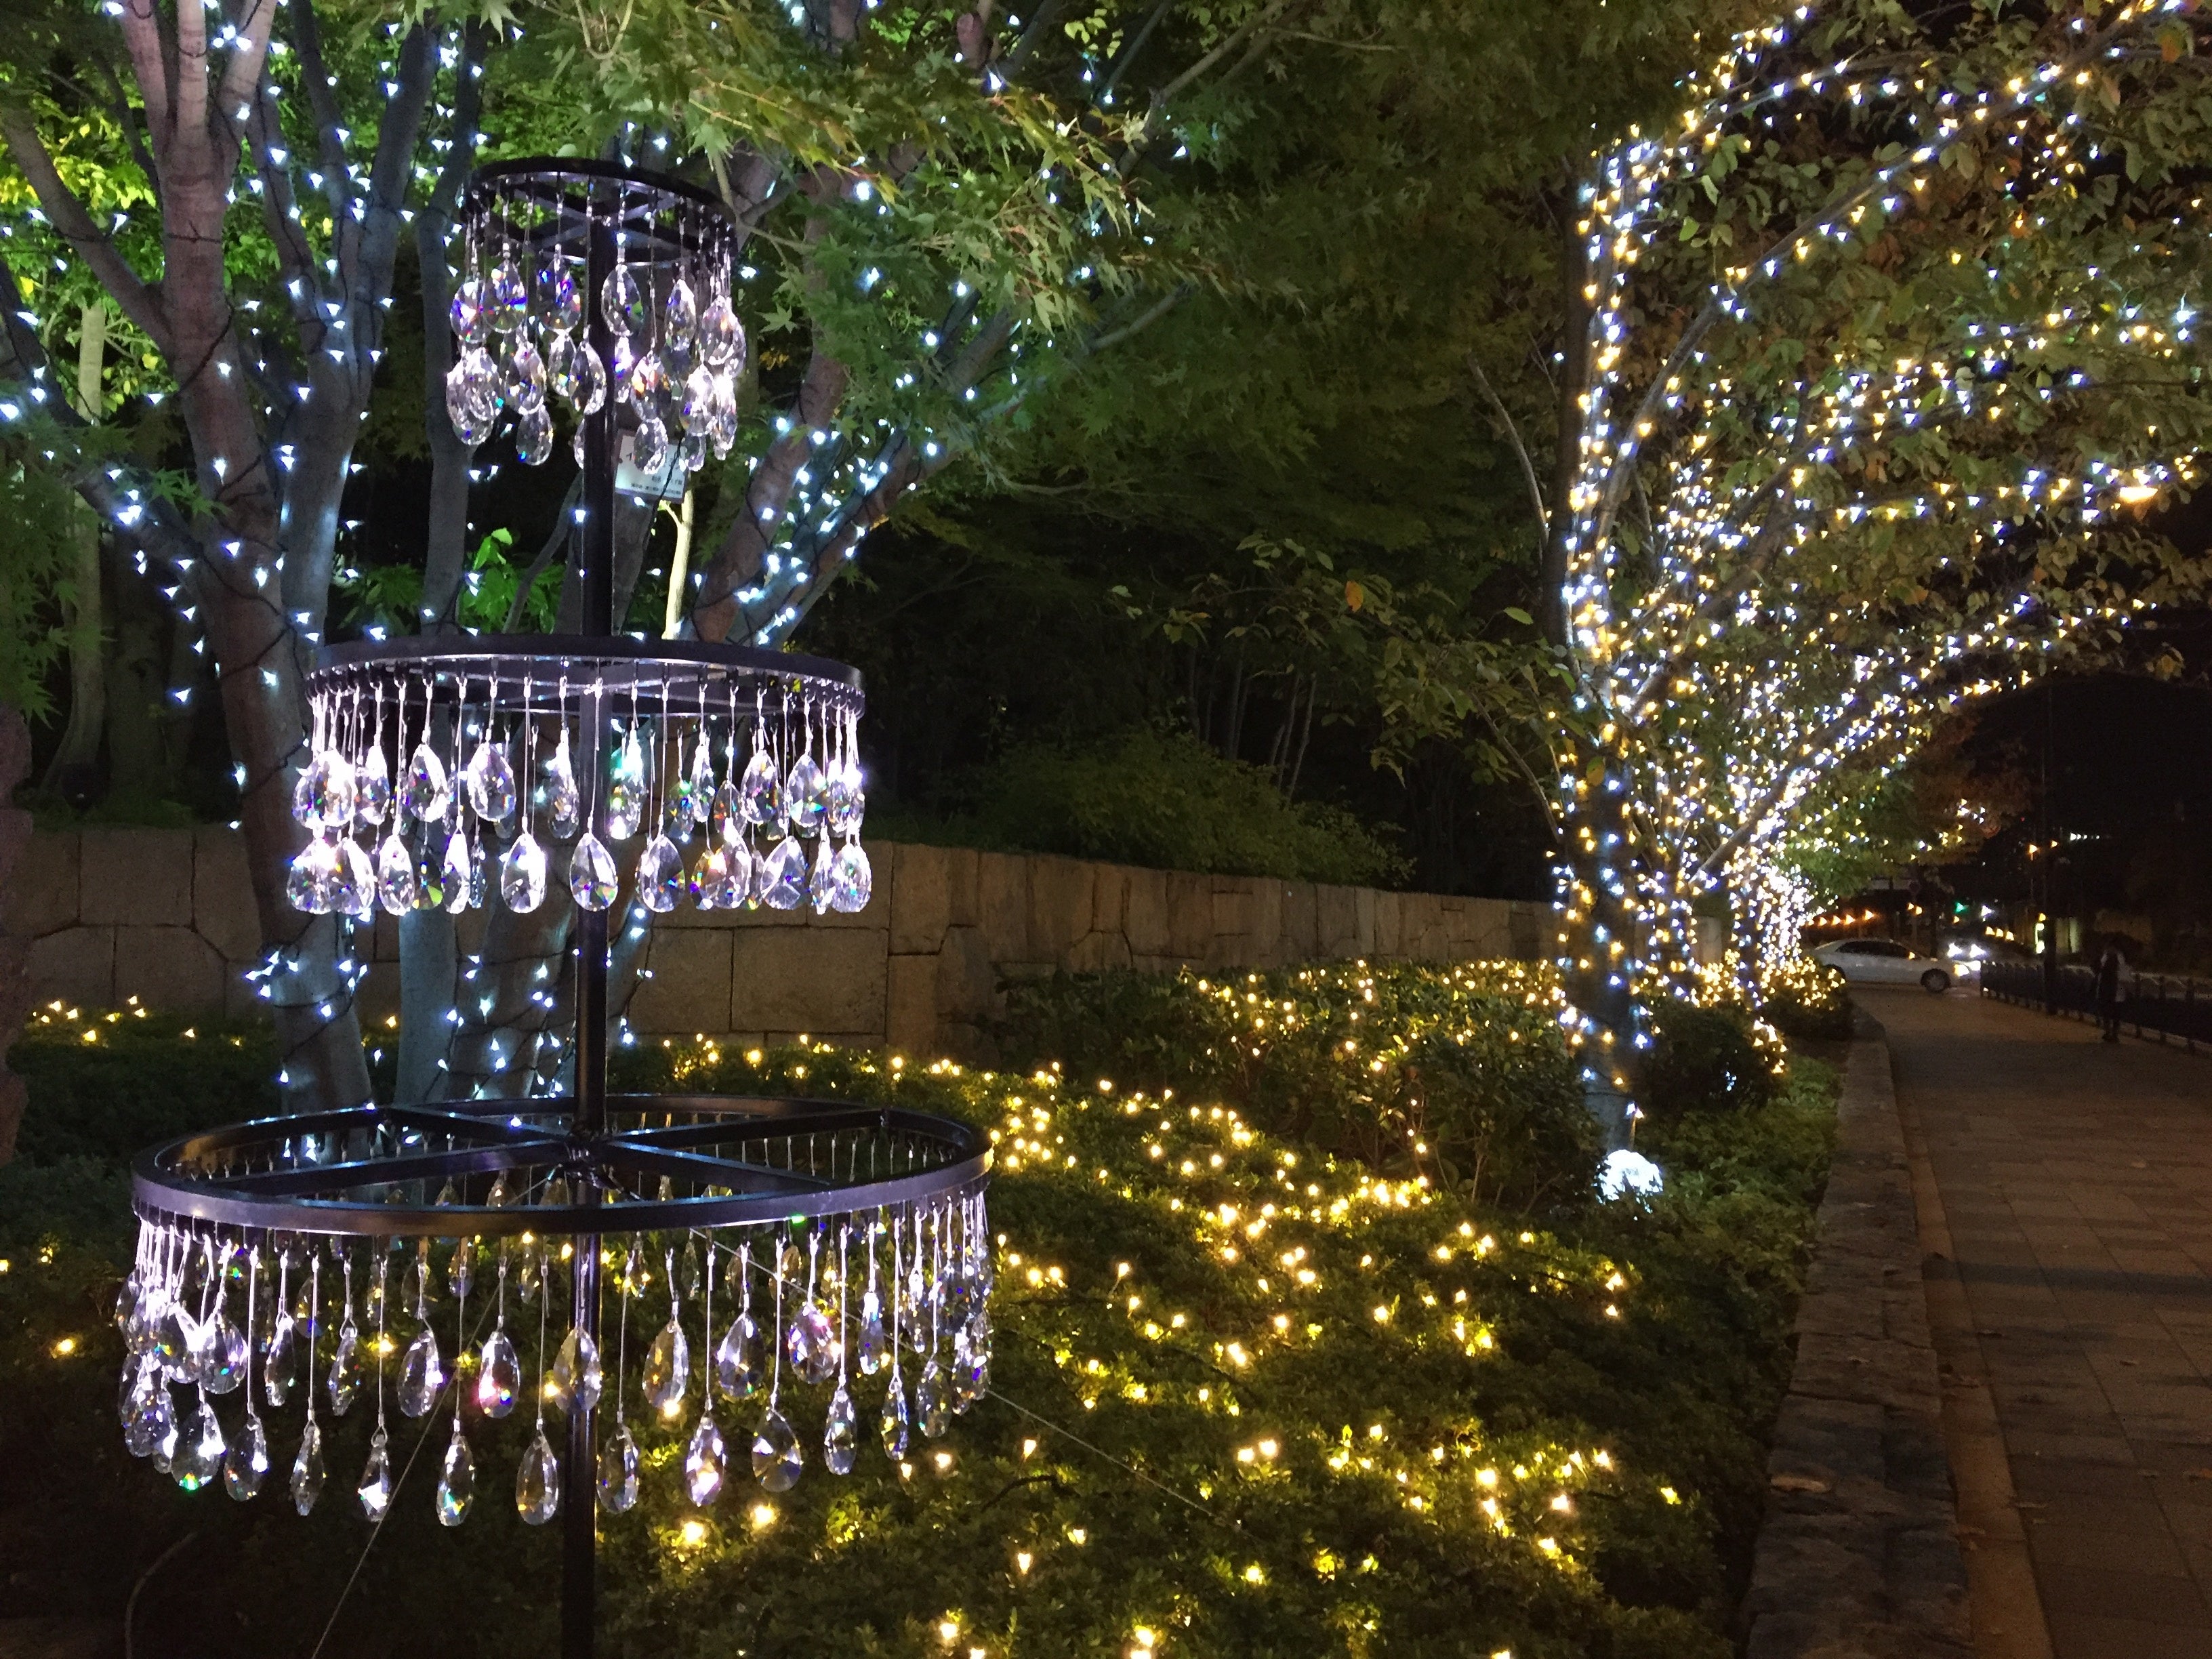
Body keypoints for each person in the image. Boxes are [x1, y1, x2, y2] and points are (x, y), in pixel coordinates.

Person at [2094, 941, 2129, 1043]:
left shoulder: (2111, 958)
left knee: (2110, 1012)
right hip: (2110, 988)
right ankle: (2111, 1032)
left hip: (2111, 988)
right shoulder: (2115, 958)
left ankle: (2111, 1032)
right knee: (2112, 1012)